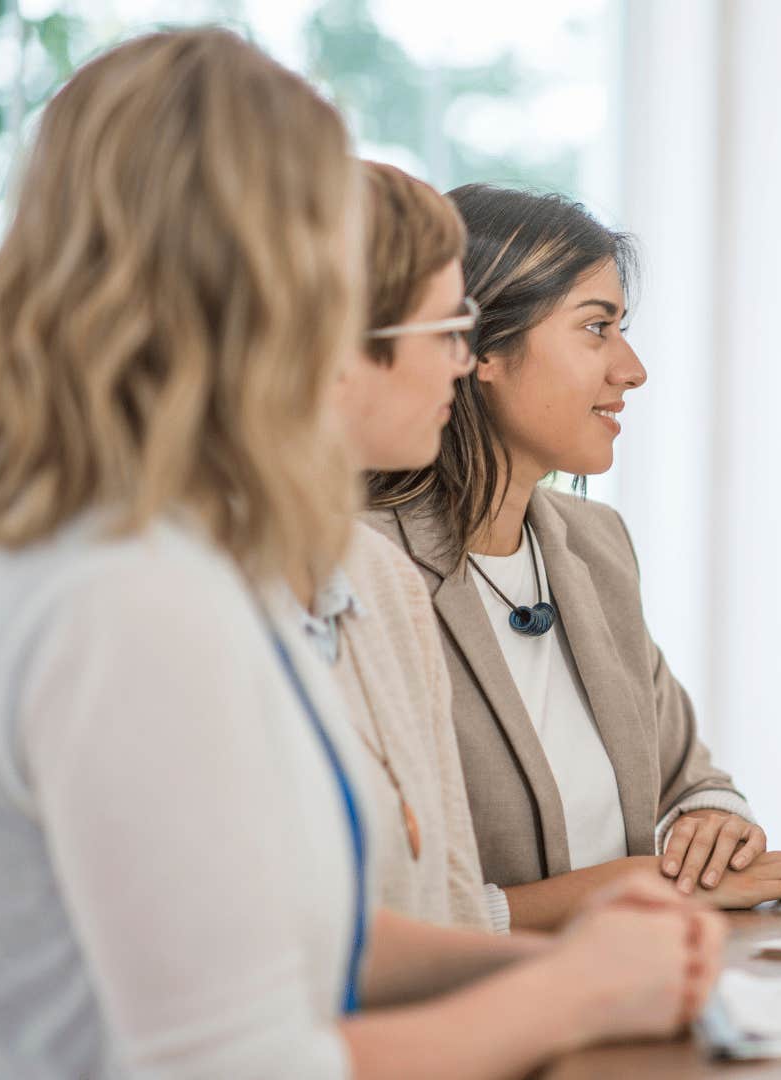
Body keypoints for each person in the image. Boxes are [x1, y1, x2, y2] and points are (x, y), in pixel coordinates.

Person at [0, 30, 719, 1079]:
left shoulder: (174, 562)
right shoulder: (128, 597)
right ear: (264, 279)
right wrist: (573, 988)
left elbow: (297, 943)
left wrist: (582, 956)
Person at [368, 185, 781, 929]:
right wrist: (643, 889)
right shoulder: (364, 569)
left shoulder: (593, 543)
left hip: (629, 1001)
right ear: (481, 349)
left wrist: (713, 826)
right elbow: (388, 918)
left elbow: (689, 775)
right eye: (596, 328)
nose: (632, 368)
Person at [309, 160, 491, 928]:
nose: (464, 361)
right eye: (447, 329)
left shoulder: (382, 580)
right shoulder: (167, 599)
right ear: (342, 343)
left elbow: (452, 912)